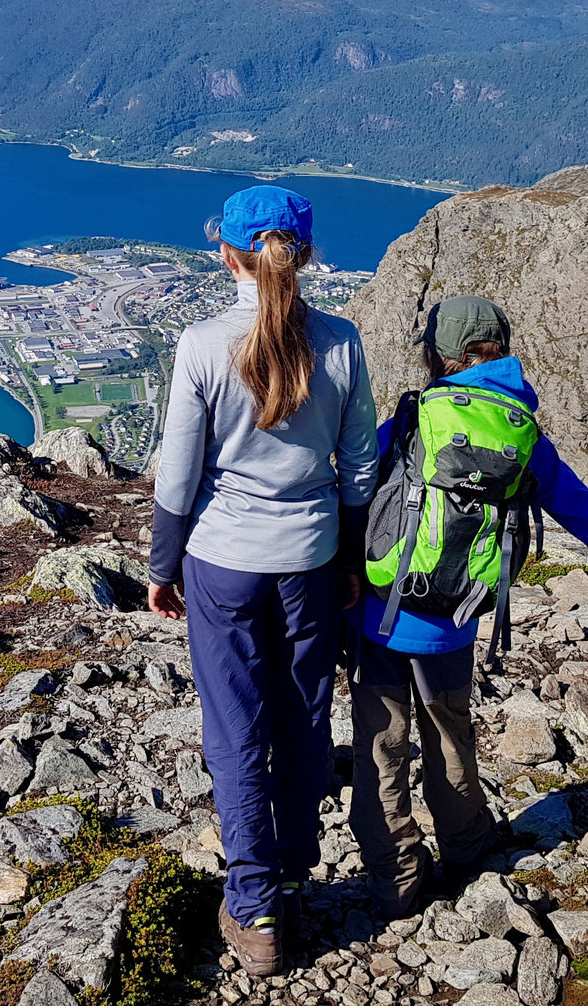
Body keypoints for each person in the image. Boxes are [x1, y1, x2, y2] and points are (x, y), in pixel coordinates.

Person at [350, 295, 588, 918]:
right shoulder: (523, 432)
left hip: (381, 615)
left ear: (437, 356)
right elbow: (587, 515)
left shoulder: (416, 418)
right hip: (455, 620)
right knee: (450, 734)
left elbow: (360, 493)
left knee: (381, 747)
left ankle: (397, 883)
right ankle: (470, 855)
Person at [147, 184, 379, 978]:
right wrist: (349, 559)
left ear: (228, 252)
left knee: (237, 730)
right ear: (303, 254)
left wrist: (161, 564)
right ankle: (291, 865)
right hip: (311, 558)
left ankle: (253, 908)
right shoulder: (341, 341)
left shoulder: (202, 344)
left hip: (223, 562)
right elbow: (359, 469)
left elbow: (178, 476)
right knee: (302, 716)